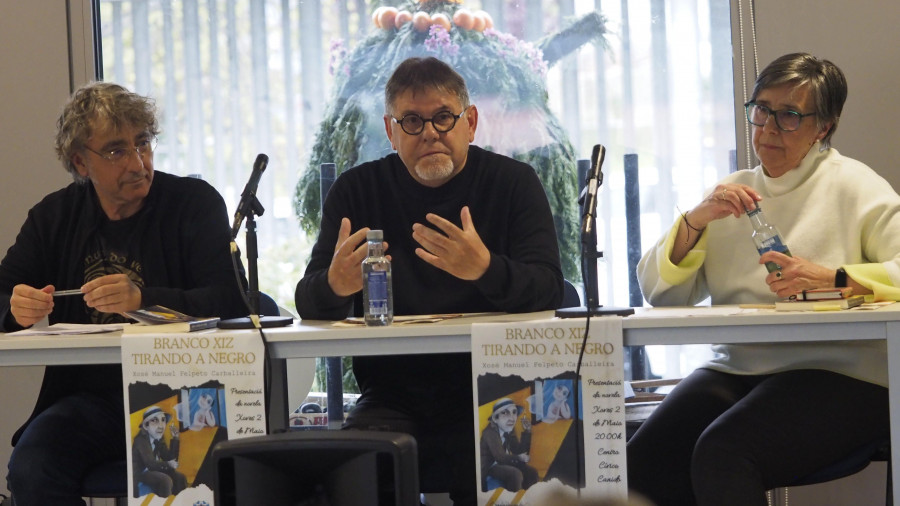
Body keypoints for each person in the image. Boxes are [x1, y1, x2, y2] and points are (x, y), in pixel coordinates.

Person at [628, 52, 900, 506]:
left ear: (825, 127)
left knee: (724, 453)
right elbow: (660, 293)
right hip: (736, 366)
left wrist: (836, 277)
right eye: (761, 110)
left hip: (842, 371)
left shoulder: (855, 185)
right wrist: (695, 221)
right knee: (639, 467)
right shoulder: (731, 192)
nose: (768, 127)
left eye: (790, 115)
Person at [295, 56, 564, 504]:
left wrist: (484, 268)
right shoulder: (357, 190)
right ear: (391, 130)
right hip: (393, 392)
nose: (430, 133)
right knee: (359, 473)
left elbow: (552, 289)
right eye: (413, 122)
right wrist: (336, 285)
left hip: (497, 385)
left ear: (470, 122)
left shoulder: (513, 183)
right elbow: (308, 303)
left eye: (443, 117)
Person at [1, 82, 248, 505]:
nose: (138, 162)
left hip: (187, 394)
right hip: (92, 401)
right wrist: (14, 307)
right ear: (81, 161)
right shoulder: (54, 217)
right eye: (116, 151)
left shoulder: (194, 203)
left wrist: (143, 300)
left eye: (144, 144)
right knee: (31, 469)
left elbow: (232, 300)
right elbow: (4, 291)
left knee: (185, 484)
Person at [479, 398, 538, 491]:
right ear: (495, 418)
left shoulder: (508, 429)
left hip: (501, 463)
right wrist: (518, 457)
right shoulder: (489, 432)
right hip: (488, 467)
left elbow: (519, 451)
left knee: (532, 472)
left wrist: (527, 431)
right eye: (505, 413)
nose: (512, 417)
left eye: (514, 412)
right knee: (515, 474)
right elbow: (500, 457)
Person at [131, 406, 187, 497]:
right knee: (165, 480)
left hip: (153, 470)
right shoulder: (141, 440)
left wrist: (175, 438)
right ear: (146, 426)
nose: (161, 425)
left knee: (180, 477)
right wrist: (168, 464)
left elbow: (171, 459)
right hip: (140, 473)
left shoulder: (158, 439)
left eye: (163, 420)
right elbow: (150, 463)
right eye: (154, 420)